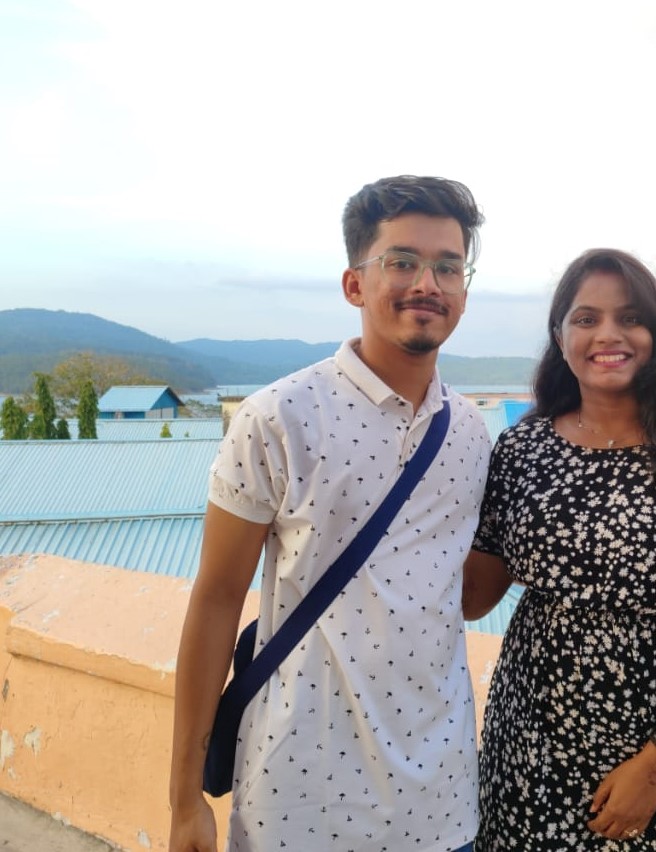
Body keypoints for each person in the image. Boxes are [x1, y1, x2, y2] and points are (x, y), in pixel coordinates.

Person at [169, 175, 490, 852]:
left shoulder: (469, 432)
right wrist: (183, 800)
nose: (427, 283)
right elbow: (217, 599)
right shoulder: (277, 418)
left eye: (448, 266)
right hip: (297, 804)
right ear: (354, 285)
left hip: (443, 805)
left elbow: (452, 595)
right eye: (402, 261)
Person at [463, 248, 656, 850]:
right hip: (529, 751)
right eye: (586, 319)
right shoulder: (522, 450)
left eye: (630, 318)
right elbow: (474, 596)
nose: (608, 334)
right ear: (560, 337)